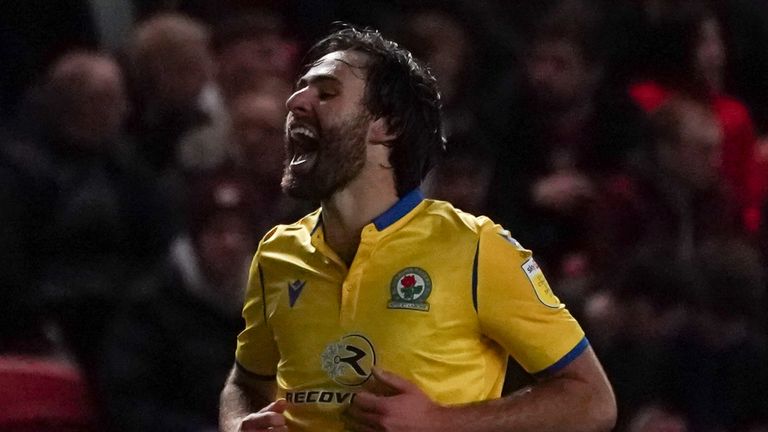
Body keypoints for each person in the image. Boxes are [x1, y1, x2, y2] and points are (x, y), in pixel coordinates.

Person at [219, 25, 616, 432]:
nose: (294, 100)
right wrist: (240, 424)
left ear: (386, 125)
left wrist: (442, 422)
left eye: (326, 92)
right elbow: (245, 382)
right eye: (301, 88)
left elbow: (591, 399)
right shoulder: (277, 252)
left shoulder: (475, 248)